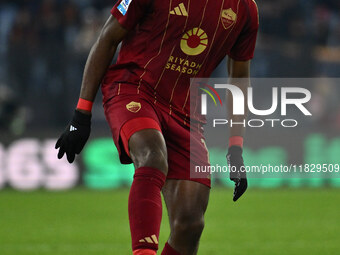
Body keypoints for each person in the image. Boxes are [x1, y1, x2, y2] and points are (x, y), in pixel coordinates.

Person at [55, 0, 259, 254]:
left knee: (190, 222)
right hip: (133, 89)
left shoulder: (245, 9)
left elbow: (239, 78)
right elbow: (107, 38)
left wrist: (236, 147)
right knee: (152, 154)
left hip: (186, 113)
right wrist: (81, 115)